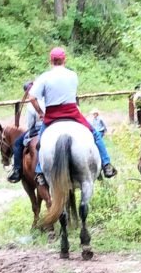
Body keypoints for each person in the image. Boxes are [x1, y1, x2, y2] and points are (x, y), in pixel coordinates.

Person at [22, 47, 117, 184]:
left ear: (51, 60)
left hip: (52, 115)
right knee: (95, 135)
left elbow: (32, 98)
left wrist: (41, 113)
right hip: (72, 113)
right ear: (64, 59)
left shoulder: (44, 77)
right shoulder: (73, 75)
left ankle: (40, 172)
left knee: (41, 142)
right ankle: (107, 164)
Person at [6, 82, 40, 183]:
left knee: (17, 143)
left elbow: (30, 124)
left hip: (36, 128)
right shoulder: (44, 98)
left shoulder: (31, 105)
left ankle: (17, 170)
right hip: (49, 125)